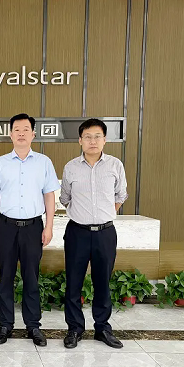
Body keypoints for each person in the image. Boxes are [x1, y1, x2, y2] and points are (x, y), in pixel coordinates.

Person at [0, 113, 60, 346]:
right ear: (10, 134)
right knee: (5, 277)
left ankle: (33, 325)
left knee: (31, 277)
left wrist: (49, 226)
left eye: (26, 129)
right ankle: (5, 325)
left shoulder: (44, 162)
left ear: (33, 134)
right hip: (6, 226)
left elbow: (49, 195)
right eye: (16, 129)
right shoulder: (0, 163)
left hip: (33, 227)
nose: (21, 133)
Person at [59, 118, 128, 349]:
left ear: (104, 140)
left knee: (102, 283)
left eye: (97, 136)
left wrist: (104, 214)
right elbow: (65, 198)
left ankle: (102, 328)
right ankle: (74, 329)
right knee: (73, 283)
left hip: (105, 233)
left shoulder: (115, 165)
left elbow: (120, 196)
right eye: (87, 137)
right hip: (77, 232)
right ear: (80, 140)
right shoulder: (70, 167)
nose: (93, 141)